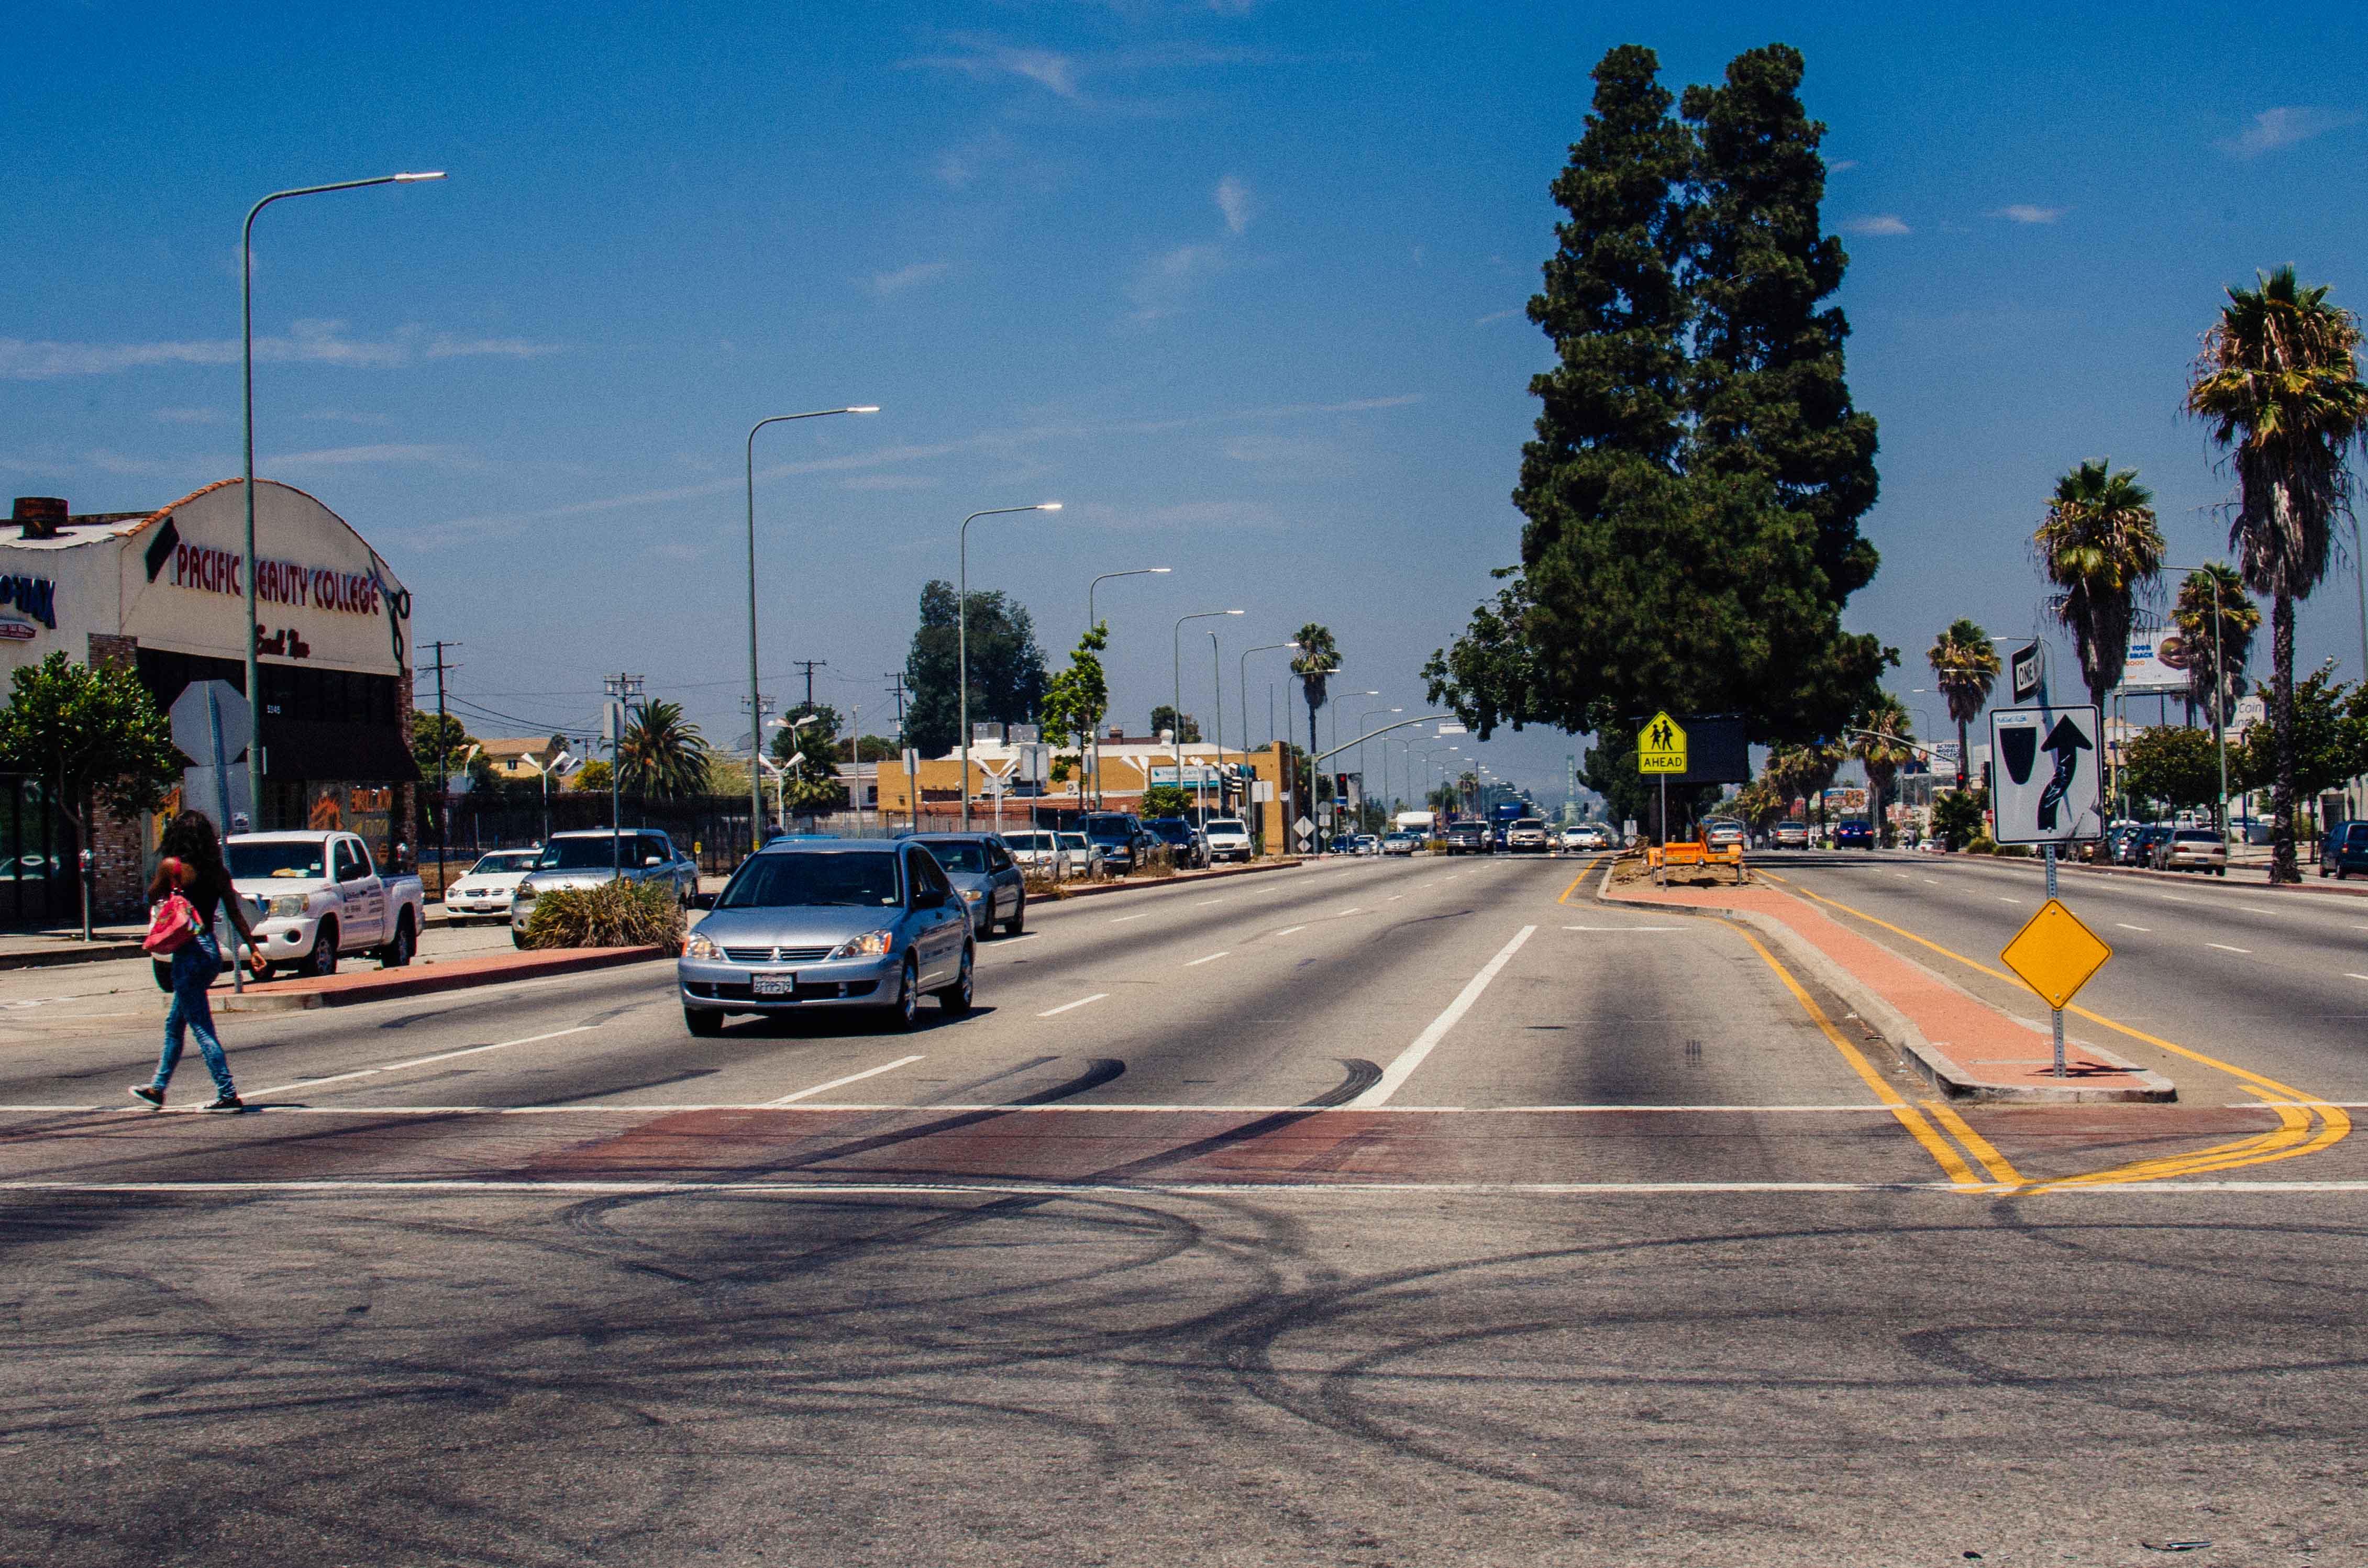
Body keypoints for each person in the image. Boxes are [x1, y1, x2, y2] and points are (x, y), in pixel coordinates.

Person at [130, 812, 267, 1111]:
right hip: (211, 952)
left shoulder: (173, 868)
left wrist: (166, 888)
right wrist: (254, 949)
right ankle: (158, 1088)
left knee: (202, 1028)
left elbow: (152, 896)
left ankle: (228, 1093)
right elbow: (235, 913)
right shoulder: (219, 871)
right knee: (175, 1024)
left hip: (188, 951)